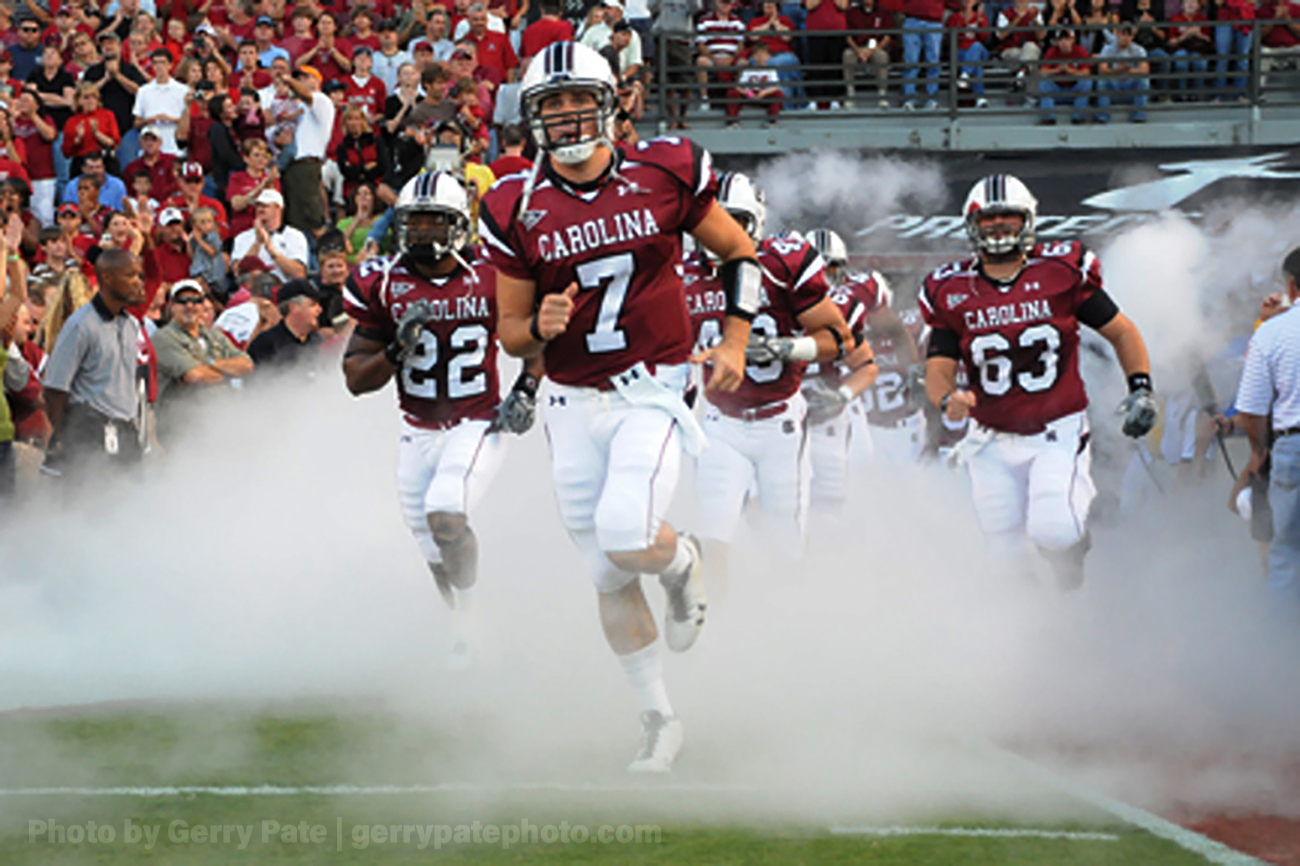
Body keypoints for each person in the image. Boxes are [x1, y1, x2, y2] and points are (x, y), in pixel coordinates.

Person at [479, 42, 759, 773]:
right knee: (607, 573)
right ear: (532, 116)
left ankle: (684, 558)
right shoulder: (514, 203)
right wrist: (536, 329)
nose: (567, 115)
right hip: (571, 399)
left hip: (653, 386)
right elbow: (510, 332)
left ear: (611, 103)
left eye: (580, 99)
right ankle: (659, 718)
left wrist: (734, 338)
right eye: (552, 103)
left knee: (626, 530)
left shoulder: (664, 170)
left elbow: (739, 252)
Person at [920, 174, 1156, 590]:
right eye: (988, 220)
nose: (998, 227)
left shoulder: (1061, 271)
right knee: (1004, 559)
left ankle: (1070, 567)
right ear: (972, 226)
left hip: (1055, 431)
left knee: (1055, 529)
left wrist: (1140, 387)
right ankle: (1034, 622)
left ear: (1028, 219)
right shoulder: (950, 289)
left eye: (1008, 218)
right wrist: (946, 400)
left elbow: (1121, 331)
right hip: (990, 439)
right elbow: (938, 367)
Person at [342, 171, 528, 668]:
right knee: (431, 545)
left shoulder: (491, 275)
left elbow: (536, 337)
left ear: (459, 224)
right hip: (416, 430)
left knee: (446, 511)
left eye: (433, 221)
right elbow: (355, 379)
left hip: (477, 421)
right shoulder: (383, 281)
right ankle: (470, 624)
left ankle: (466, 625)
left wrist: (527, 388)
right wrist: (395, 350)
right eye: (413, 222)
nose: (422, 232)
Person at [685, 175, 852, 586]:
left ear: (756, 222)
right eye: (716, 219)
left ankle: (791, 610)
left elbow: (840, 339)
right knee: (712, 536)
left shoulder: (781, 265)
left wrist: (786, 348)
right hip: (720, 422)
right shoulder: (682, 273)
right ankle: (717, 617)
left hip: (781, 423)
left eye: (736, 220)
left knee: (785, 542)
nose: (723, 232)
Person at [42, 246, 151, 480]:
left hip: (127, 429)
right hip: (90, 432)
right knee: (92, 498)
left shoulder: (130, 324)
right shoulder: (81, 325)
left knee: (131, 497)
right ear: (107, 278)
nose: (138, 282)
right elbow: (55, 388)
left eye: (139, 275)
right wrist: (61, 438)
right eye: (130, 275)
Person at [1232, 249, 1300, 604]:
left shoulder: (1272, 334)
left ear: (1292, 286)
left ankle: (1282, 636)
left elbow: (1252, 407)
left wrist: (1259, 451)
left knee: (1286, 555)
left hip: (1292, 450)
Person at [151, 278, 252, 438]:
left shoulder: (215, 335)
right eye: (182, 301)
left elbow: (247, 365)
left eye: (196, 301)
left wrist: (209, 363)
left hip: (218, 422)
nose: (189, 306)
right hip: (180, 429)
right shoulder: (163, 337)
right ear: (172, 306)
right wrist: (229, 372)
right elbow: (194, 376)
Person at [276, 65, 334, 238]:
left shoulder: (321, 100)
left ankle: (329, 250)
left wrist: (288, 80)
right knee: (293, 222)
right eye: (298, 78)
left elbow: (306, 95)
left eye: (305, 77)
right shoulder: (301, 109)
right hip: (294, 164)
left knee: (312, 220)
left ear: (317, 80)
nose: (300, 81)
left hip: (306, 164)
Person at [230, 188, 308, 282]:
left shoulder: (295, 236)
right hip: (253, 289)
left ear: (278, 209)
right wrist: (258, 242)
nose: (260, 209)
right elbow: (237, 271)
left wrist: (270, 249)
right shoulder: (242, 238)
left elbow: (299, 273)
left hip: (284, 288)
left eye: (265, 206)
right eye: (258, 205)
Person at [246, 277, 324, 370]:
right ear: (294, 307)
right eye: (313, 305)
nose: (320, 310)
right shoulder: (267, 344)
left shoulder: (316, 340)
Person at [132, 48, 189, 156]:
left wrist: (171, 119)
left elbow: (188, 122)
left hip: (175, 149)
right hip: (150, 150)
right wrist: (150, 120)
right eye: (156, 63)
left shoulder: (183, 90)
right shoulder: (143, 91)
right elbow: (136, 123)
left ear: (170, 65)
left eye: (162, 62)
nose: (159, 66)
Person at [844, 0, 893, 110]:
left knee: (882, 56)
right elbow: (848, 36)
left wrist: (872, 51)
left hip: (876, 47)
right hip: (857, 47)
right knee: (847, 55)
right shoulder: (851, 12)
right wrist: (858, 51)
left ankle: (882, 95)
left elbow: (888, 37)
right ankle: (850, 94)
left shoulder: (884, 12)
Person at [1096, 23, 1149, 123]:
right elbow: (1101, 69)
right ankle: (1103, 116)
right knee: (1102, 81)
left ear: (1132, 37)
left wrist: (1130, 70)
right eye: (1123, 34)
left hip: (1130, 86)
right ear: (1117, 34)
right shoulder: (1108, 49)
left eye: (1128, 35)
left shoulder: (1139, 50)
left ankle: (1139, 115)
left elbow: (1145, 69)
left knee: (1143, 80)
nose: (1125, 38)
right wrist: (1117, 70)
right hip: (1114, 86)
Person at [1038, 29, 1094, 124]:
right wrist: (1058, 70)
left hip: (1074, 91)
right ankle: (1048, 118)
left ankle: (1078, 117)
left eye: (1067, 39)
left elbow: (1087, 72)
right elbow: (1042, 72)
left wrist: (1070, 71)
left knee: (1087, 82)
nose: (1064, 42)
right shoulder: (1052, 51)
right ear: (1057, 41)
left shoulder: (1080, 51)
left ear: (1073, 40)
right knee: (1043, 82)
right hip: (1056, 91)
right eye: (1060, 39)